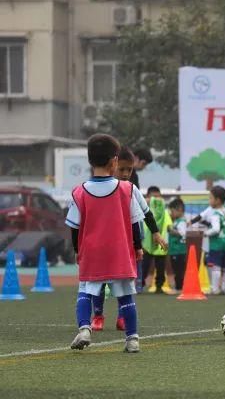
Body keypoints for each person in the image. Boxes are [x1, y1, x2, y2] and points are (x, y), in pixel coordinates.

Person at [65, 134, 144, 353]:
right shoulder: (126, 190)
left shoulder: (79, 192)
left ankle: (84, 328)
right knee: (126, 295)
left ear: (90, 162)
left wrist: (77, 250)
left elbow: (74, 227)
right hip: (119, 252)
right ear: (114, 162)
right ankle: (132, 339)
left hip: (92, 252)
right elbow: (136, 222)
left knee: (85, 291)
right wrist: (138, 246)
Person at [90, 147, 167, 331]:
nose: (125, 174)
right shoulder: (98, 188)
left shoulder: (130, 189)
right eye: (122, 169)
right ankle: (98, 315)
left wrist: (155, 233)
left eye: (129, 170)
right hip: (101, 244)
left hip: (124, 244)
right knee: (99, 281)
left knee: (124, 281)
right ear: (112, 165)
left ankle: (122, 317)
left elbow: (144, 213)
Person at [198, 186, 225, 294]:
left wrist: (205, 233)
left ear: (217, 200)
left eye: (211, 198)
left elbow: (216, 229)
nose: (209, 200)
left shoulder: (214, 214)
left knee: (215, 267)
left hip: (215, 244)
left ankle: (215, 289)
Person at [141, 186, 172, 294]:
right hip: (146, 244)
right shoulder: (143, 210)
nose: (156, 200)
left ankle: (159, 286)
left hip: (160, 244)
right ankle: (140, 285)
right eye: (153, 197)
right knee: (144, 265)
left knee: (160, 267)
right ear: (147, 198)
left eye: (158, 197)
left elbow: (169, 226)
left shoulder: (164, 212)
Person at [168, 198, 187, 292]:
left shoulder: (181, 221)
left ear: (179, 210)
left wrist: (171, 231)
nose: (171, 213)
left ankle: (179, 287)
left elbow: (182, 233)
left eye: (173, 211)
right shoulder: (176, 221)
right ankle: (178, 286)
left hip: (179, 251)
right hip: (174, 250)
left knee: (179, 270)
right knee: (176, 270)